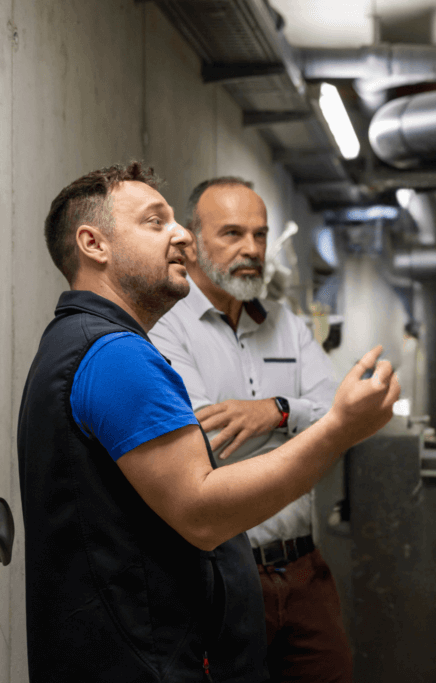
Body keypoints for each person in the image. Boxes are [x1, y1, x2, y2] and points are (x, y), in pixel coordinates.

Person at [16, 163, 400, 683]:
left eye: (175, 221)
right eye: (155, 222)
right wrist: (338, 429)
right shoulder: (117, 356)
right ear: (94, 244)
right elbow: (203, 512)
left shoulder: (75, 341)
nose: (179, 236)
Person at [149, 177, 355, 682]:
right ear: (192, 243)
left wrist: (278, 412)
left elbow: (336, 414)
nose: (253, 249)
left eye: (260, 236)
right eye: (234, 234)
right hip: (223, 574)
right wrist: (310, 429)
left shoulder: (286, 323)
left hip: (305, 571)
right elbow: (207, 444)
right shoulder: (166, 327)